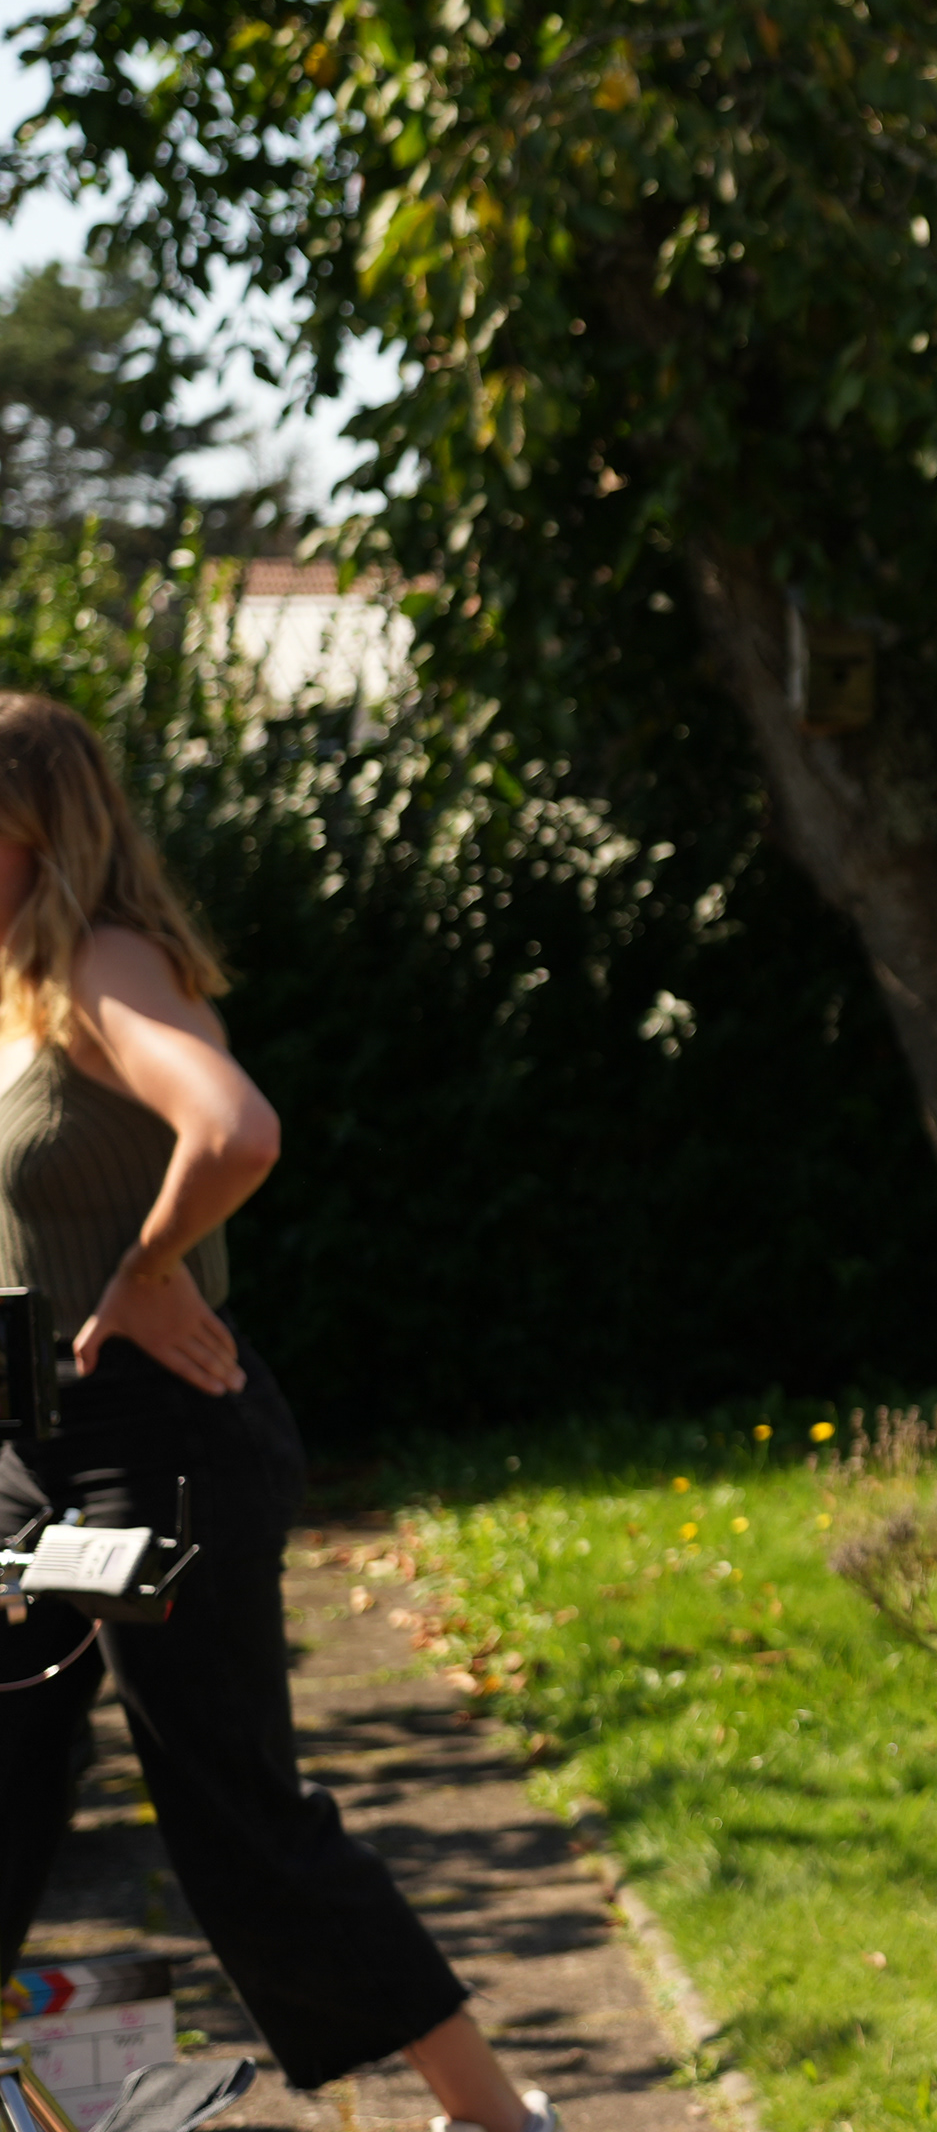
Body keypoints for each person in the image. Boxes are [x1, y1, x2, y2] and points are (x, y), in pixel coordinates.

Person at [0, 694, 552, 2132]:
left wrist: (145, 1270)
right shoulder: (15, 984)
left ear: (32, 829)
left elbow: (236, 1130)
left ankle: (495, 2119)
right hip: (30, 1456)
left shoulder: (103, 966)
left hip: (154, 1446)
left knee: (234, 1814)